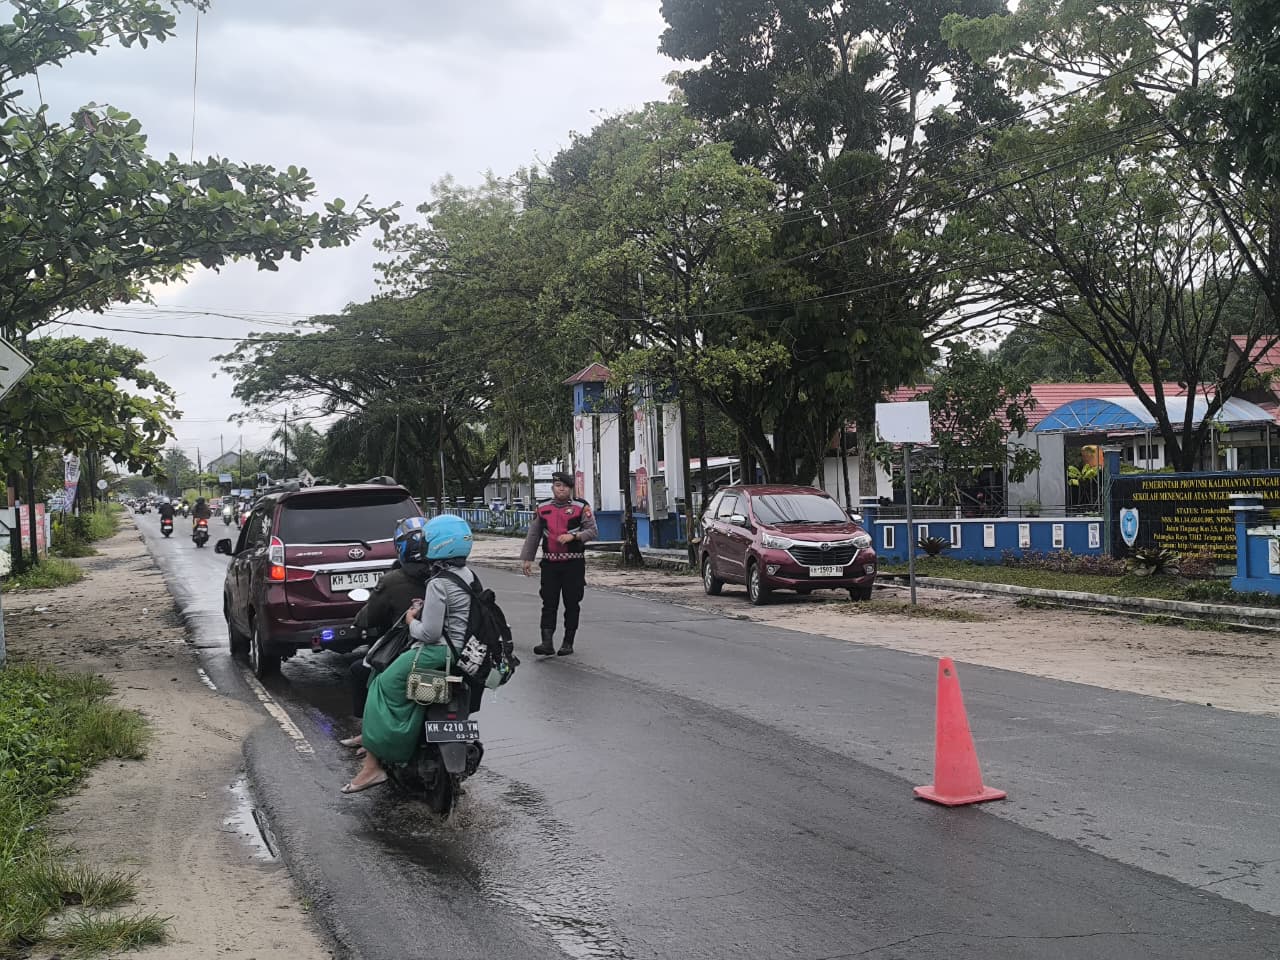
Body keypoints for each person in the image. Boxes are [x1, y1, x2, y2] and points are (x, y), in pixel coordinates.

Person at [342, 514, 475, 794]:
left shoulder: (438, 583)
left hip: (437, 652)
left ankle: (372, 766)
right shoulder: (468, 576)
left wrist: (410, 620)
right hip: (462, 654)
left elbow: (429, 633)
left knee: (380, 685)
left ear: (439, 544)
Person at [340, 516, 435, 754]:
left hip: (407, 652)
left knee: (363, 673)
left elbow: (367, 618)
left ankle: (371, 735)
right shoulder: (454, 576)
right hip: (452, 652)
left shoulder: (393, 580)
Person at [521, 470, 597, 657]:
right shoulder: (543, 507)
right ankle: (546, 642)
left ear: (570, 488)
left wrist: (574, 536)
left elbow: (592, 531)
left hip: (573, 564)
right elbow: (534, 534)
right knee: (548, 602)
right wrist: (527, 558)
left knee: (572, 603)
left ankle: (568, 642)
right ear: (553, 488)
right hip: (550, 564)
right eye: (557, 486)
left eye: (564, 486)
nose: (561, 489)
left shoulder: (581, 507)